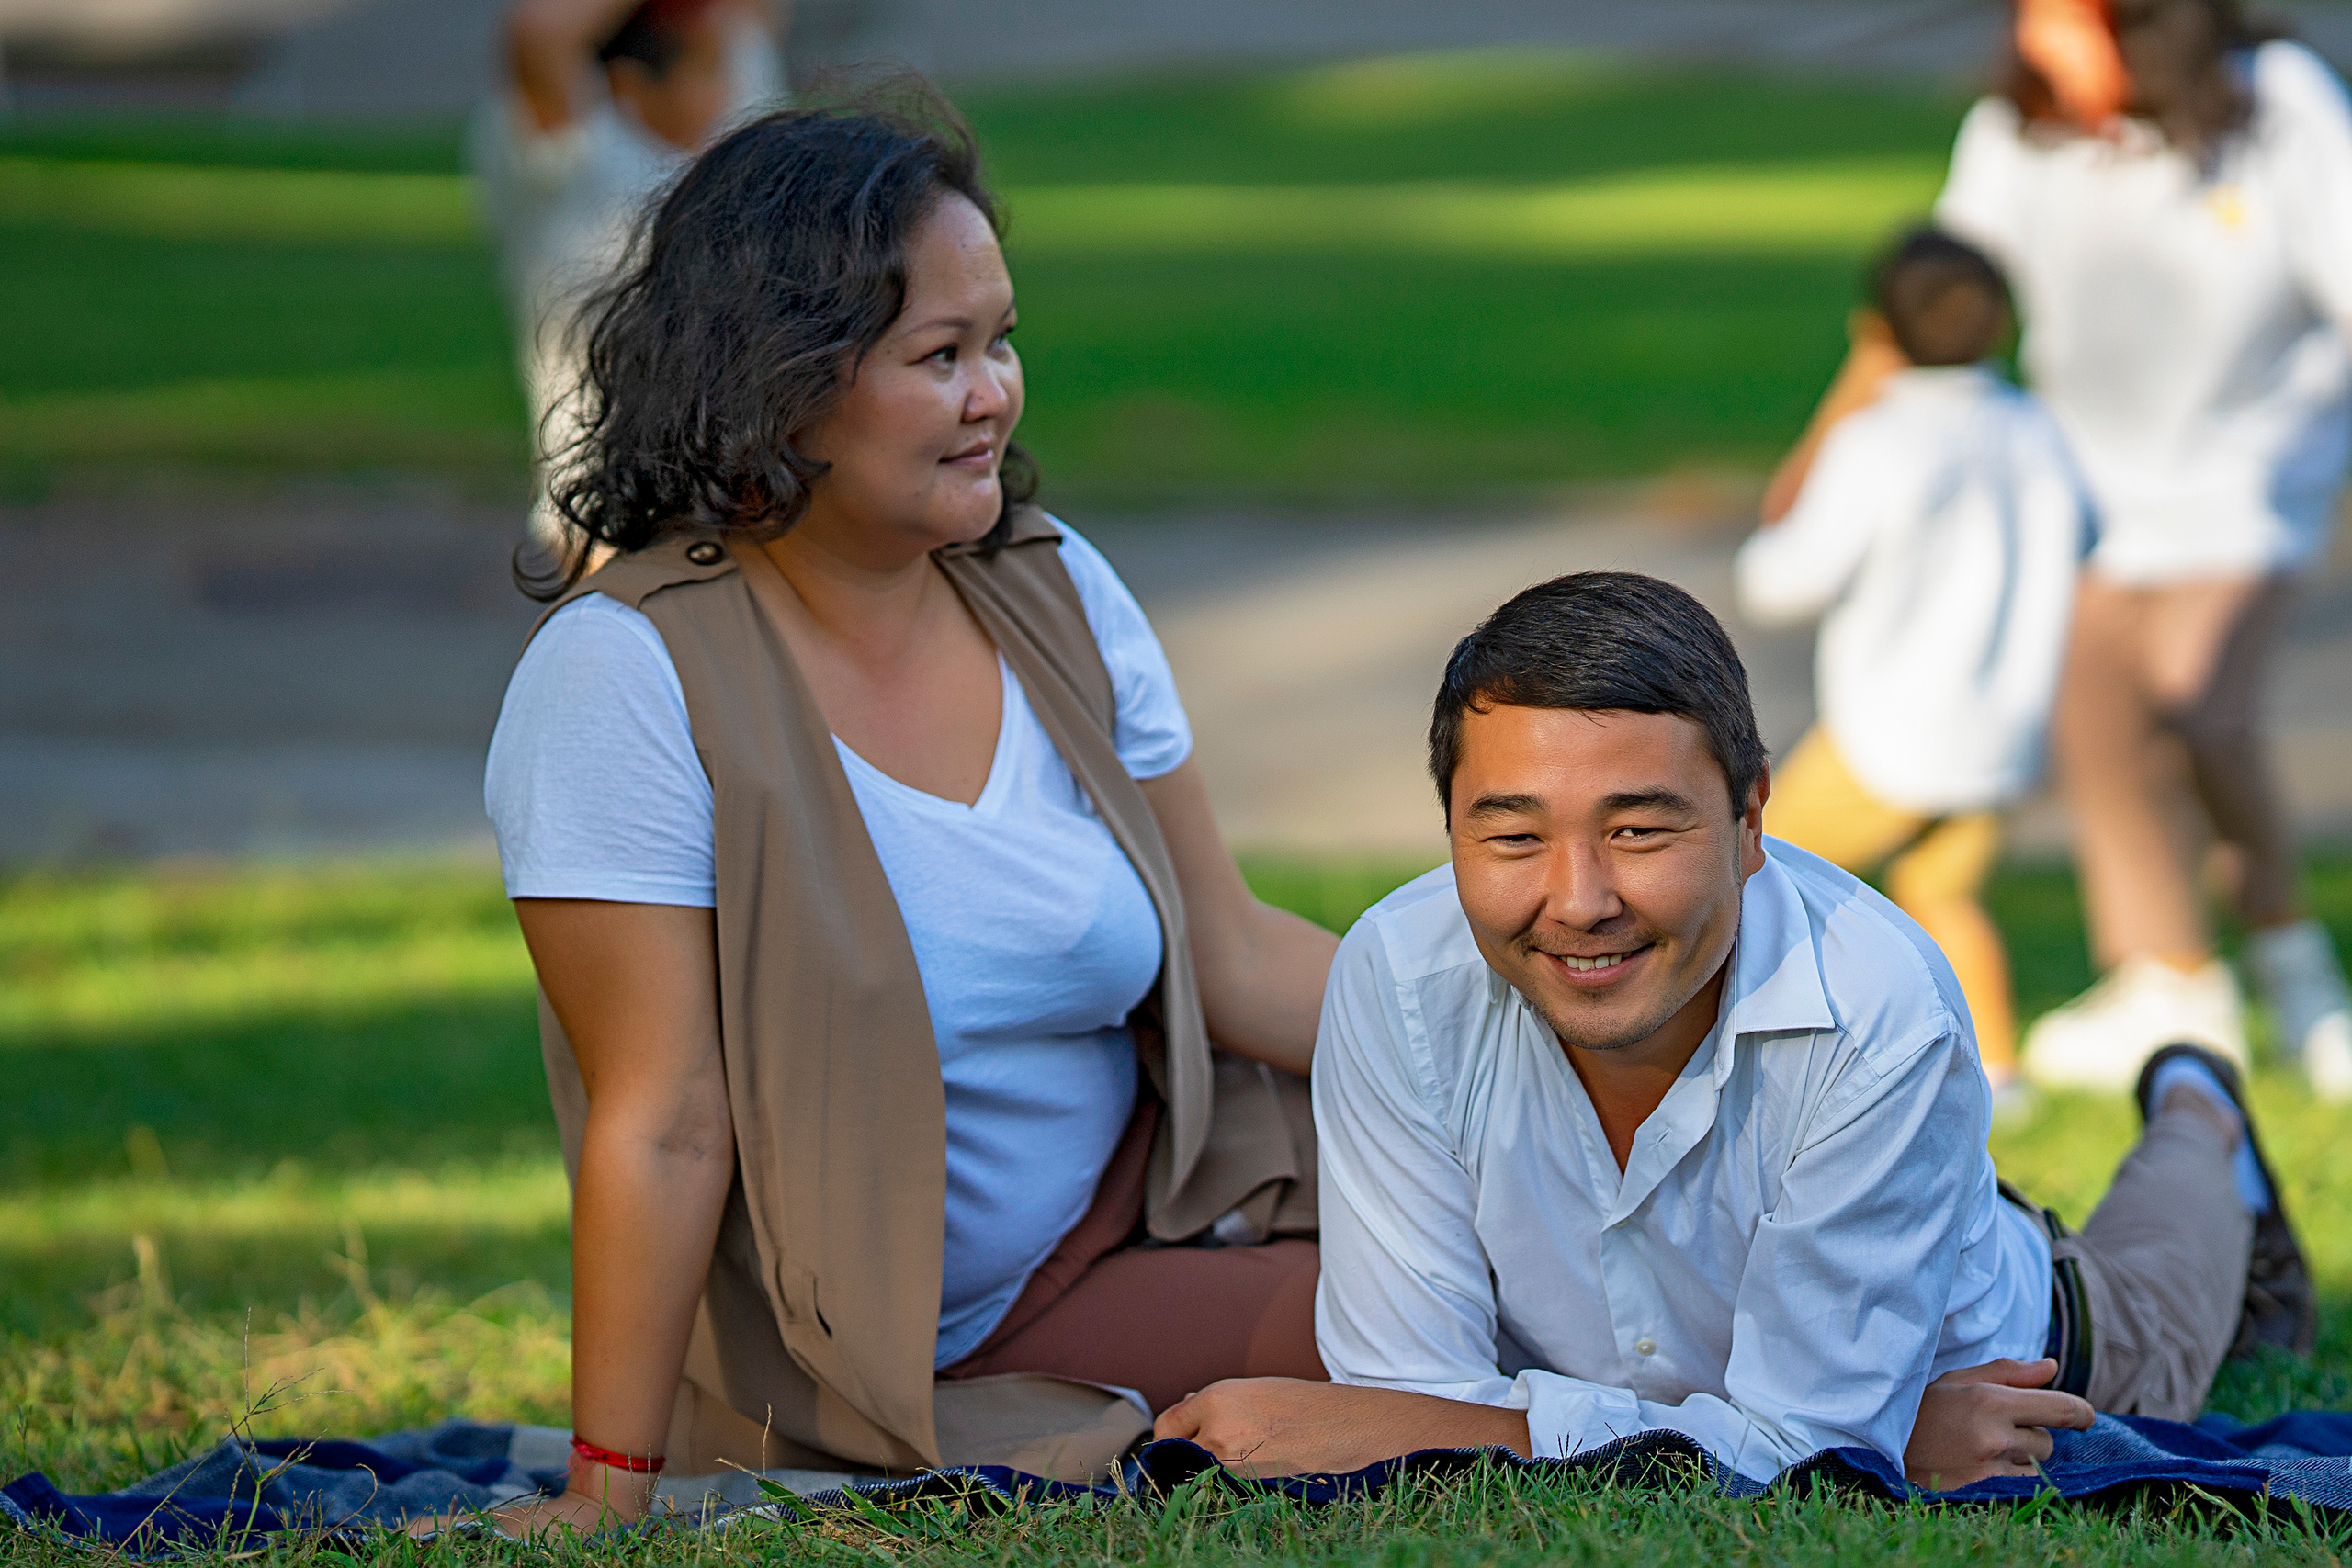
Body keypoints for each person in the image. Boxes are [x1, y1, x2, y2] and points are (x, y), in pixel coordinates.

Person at [471, 91, 1336, 1532]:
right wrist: (608, 1489)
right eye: (941, 356)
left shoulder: (1049, 583)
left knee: (1568, 1225)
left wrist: (1540, 1035)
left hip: (1179, 1181)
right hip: (914, 1343)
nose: (995, 390)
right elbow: (665, 1119)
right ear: (781, 382)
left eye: (1000, 341)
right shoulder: (626, 673)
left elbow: (1234, 950)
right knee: (1500, 1309)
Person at [1153, 573, 2312, 1489]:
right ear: (1450, 827)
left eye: (1641, 831)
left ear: (1753, 814)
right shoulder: (1396, 977)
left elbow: (1799, 1444)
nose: (1579, 900)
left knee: (2170, 1277)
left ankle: (2202, 1110)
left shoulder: (1875, 1002)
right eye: (1511, 838)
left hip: (2024, 1340)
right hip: (1885, 1339)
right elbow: (1406, 1389)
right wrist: (1869, 1446)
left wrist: (1842, 1446)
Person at [1932, 0, 2352, 1092]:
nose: (2068, 48)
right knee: (2096, 713)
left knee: (2199, 698)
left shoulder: (2281, 106)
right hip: (2093, 490)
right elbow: (1947, 289)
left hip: (2255, 479)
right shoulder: (2015, 130)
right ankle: (2170, 985)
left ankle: (2293, 967)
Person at [1736, 229, 2093, 1108]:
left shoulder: (1878, 441)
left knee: (1744, 873)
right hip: (2000, 732)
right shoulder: (2036, 429)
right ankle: (1996, 1072)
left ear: (1877, 331)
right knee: (1943, 893)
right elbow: (2086, 531)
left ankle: (1757, 1058)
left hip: (1888, 733)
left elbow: (1781, 582)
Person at [468, 0, 788, 549]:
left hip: (745, 507)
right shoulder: (573, 153)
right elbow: (538, 35)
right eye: (709, 67)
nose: (733, 78)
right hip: (610, 521)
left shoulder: (736, 102)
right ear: (632, 85)